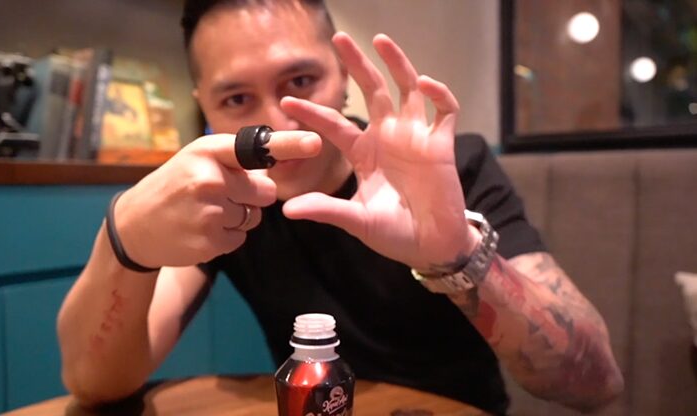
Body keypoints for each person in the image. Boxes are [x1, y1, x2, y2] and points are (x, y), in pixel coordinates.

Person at [57, 0, 624, 414]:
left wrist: (458, 254)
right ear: (203, 104)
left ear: (344, 77)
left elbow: (597, 383)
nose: (276, 126)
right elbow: (93, 384)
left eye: (301, 80)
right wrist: (122, 240)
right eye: (236, 98)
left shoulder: (451, 169)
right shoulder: (229, 199)